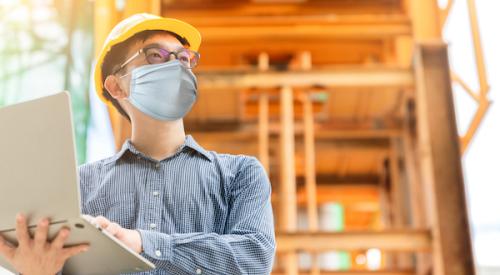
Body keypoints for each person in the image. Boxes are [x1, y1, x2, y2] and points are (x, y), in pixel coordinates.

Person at [0, 13, 275, 275]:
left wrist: (143, 242)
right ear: (117, 86)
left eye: (184, 58)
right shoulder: (80, 186)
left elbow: (255, 258)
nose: (177, 66)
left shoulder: (240, 174)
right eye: (156, 55)